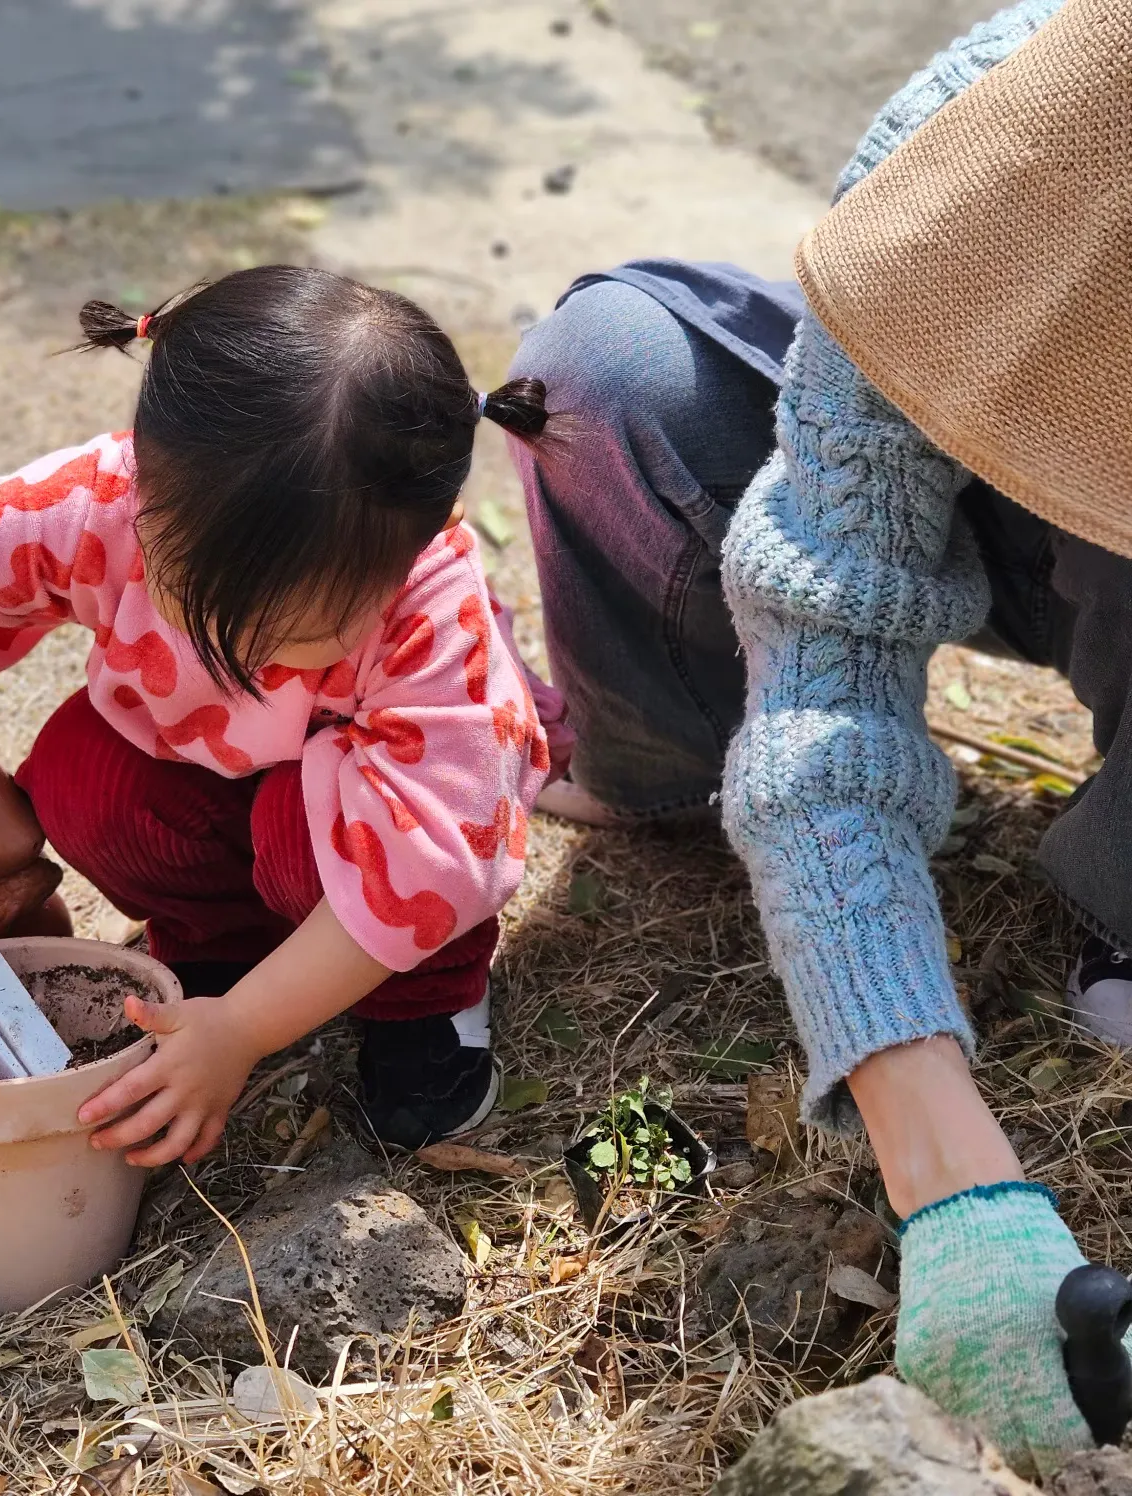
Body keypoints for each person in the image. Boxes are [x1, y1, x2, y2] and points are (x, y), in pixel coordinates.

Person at [510, 0, 1130, 1476]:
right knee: (611, 370)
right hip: (1004, 490)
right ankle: (661, 767)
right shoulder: (982, 148)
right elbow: (827, 680)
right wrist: (947, 1174)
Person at [0, 265, 572, 1162]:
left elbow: (429, 856)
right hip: (205, 775)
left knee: (304, 839)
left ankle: (423, 1003)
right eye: (192, 595)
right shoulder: (114, 500)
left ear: (421, 542)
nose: (237, 647)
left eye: (290, 629)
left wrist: (243, 1032)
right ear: (146, 481)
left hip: (355, 825)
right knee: (81, 774)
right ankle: (221, 947)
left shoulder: (432, 610)